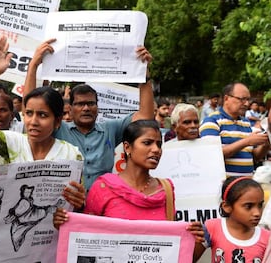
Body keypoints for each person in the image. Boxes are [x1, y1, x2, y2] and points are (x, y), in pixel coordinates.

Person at [0, 36, 85, 209]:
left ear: (58, 121)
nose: (33, 122)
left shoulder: (71, 154)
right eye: (29, 113)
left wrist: (80, 201)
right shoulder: (12, 142)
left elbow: (76, 205)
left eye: (43, 115)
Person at [23, 38, 154, 191]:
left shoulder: (110, 129)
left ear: (98, 107)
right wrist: (33, 67)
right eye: (80, 104)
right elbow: (30, 106)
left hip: (101, 205)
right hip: (65, 206)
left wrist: (143, 76)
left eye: (91, 103)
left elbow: (145, 116)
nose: (86, 108)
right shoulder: (58, 129)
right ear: (70, 109)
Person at [53, 120, 204, 244]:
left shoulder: (166, 189)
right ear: (127, 147)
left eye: (159, 144)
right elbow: (85, 236)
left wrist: (197, 239)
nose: (156, 149)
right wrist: (65, 222)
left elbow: (171, 244)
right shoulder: (104, 187)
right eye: (147, 143)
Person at [193, 176, 270, 262]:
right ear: (227, 207)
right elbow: (188, 258)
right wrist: (195, 240)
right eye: (248, 206)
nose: (257, 213)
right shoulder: (213, 227)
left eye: (260, 205)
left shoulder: (267, 238)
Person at [200, 82, 269, 176]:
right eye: (242, 99)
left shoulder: (246, 123)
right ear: (226, 98)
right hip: (225, 187)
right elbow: (212, 154)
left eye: (248, 99)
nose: (246, 103)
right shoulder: (212, 120)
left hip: (246, 184)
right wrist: (247, 141)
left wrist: (266, 144)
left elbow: (254, 157)